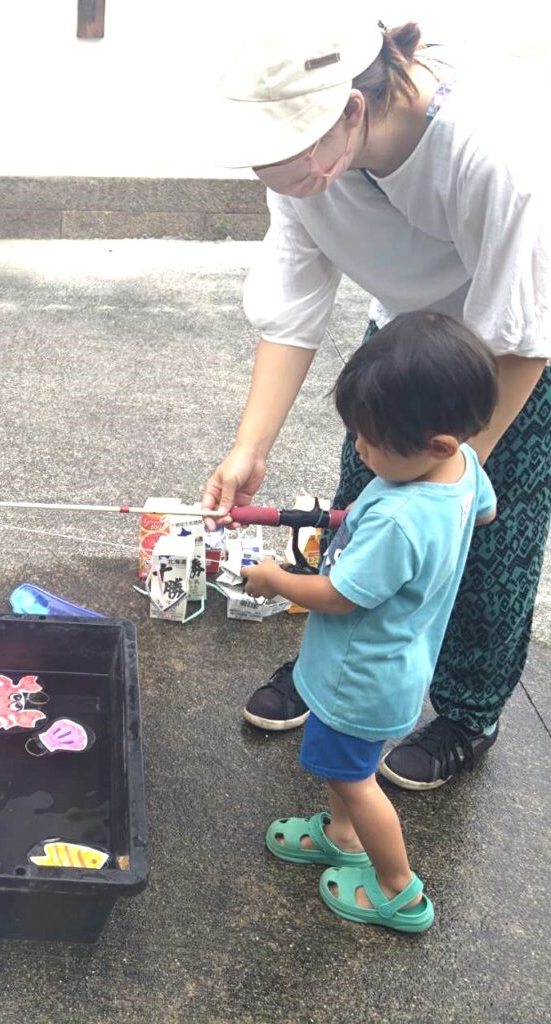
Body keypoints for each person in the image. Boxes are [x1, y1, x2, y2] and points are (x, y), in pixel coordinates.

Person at [204, 12, 550, 789]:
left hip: (519, 340)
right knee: (362, 507)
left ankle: (467, 708)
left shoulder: (494, 153)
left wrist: (458, 476)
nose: (277, 181)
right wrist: (249, 447)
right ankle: (341, 677)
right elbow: (295, 302)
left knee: (486, 536)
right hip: (410, 334)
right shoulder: (310, 161)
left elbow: (523, 331)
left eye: (286, 162)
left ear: (351, 109)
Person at [241, 312, 497, 932]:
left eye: (371, 439)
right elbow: (482, 515)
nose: (360, 448)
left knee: (350, 776)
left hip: (356, 678)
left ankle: (398, 888)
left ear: (434, 443)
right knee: (346, 770)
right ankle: (342, 837)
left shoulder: (400, 520)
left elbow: (338, 596)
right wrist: (367, 512)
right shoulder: (460, 467)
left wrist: (275, 580)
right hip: (396, 663)